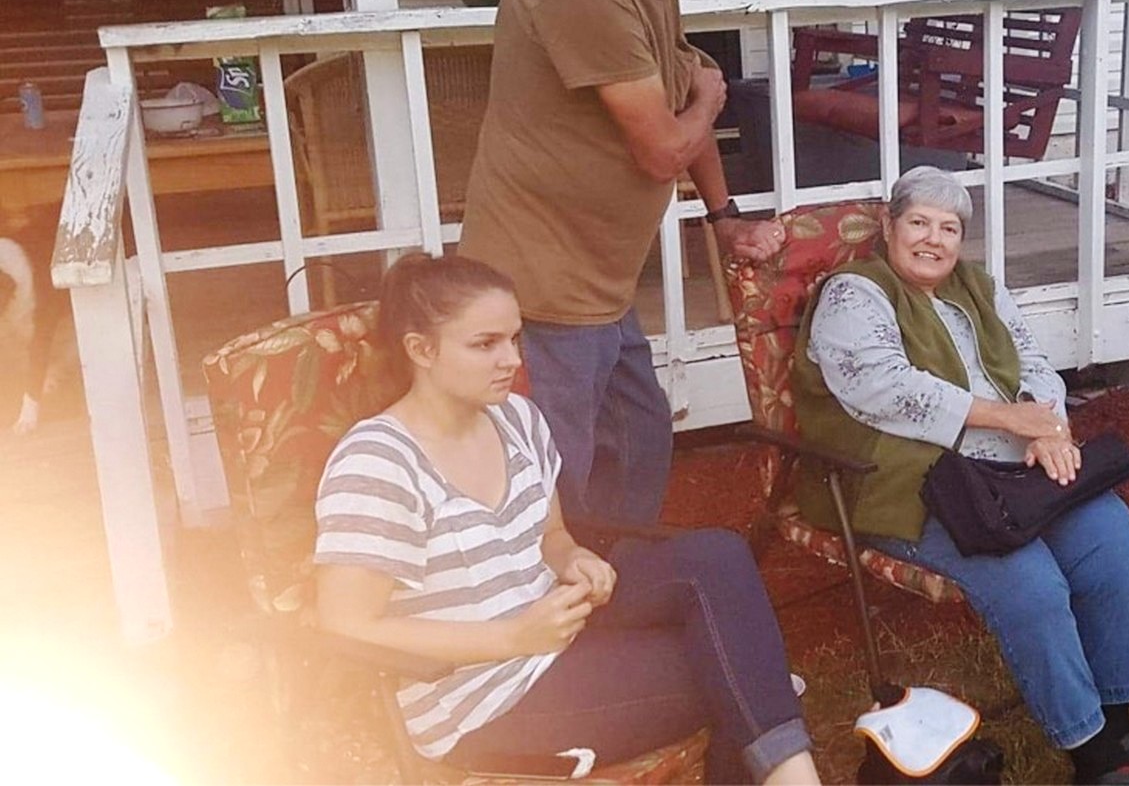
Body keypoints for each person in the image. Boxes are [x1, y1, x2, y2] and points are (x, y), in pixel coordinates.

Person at [313, 253, 819, 785]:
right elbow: (347, 624)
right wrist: (513, 638)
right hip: (483, 699)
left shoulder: (516, 418)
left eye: (515, 339)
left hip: (553, 628)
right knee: (736, 668)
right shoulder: (379, 462)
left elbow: (550, 533)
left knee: (716, 556)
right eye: (485, 344)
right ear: (421, 349)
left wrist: (572, 557)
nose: (511, 360)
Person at [797, 166, 1129, 786]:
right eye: (919, 222)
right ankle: (1093, 756)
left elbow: (1032, 361)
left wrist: (1049, 427)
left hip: (1007, 472)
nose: (933, 240)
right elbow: (886, 389)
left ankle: (1119, 725)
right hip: (907, 482)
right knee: (1028, 580)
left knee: (1107, 533)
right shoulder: (854, 294)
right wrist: (1010, 417)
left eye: (949, 228)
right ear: (889, 226)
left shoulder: (977, 286)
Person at [459, 0, 781, 530]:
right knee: (551, 475)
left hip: (601, 277)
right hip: (543, 285)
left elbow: (680, 87)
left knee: (639, 439)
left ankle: (615, 573)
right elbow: (664, 146)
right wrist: (709, 101)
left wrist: (724, 216)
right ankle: (558, 591)